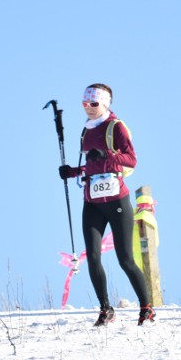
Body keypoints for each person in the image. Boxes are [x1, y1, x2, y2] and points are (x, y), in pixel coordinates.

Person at [58, 83, 155, 326]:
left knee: (125, 259)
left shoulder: (116, 127)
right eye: (84, 104)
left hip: (116, 200)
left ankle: (146, 307)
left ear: (105, 104)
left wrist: (107, 156)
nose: (88, 108)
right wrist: (72, 172)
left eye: (94, 104)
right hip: (92, 201)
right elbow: (91, 165)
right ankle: (105, 309)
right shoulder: (86, 130)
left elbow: (131, 159)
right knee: (92, 256)